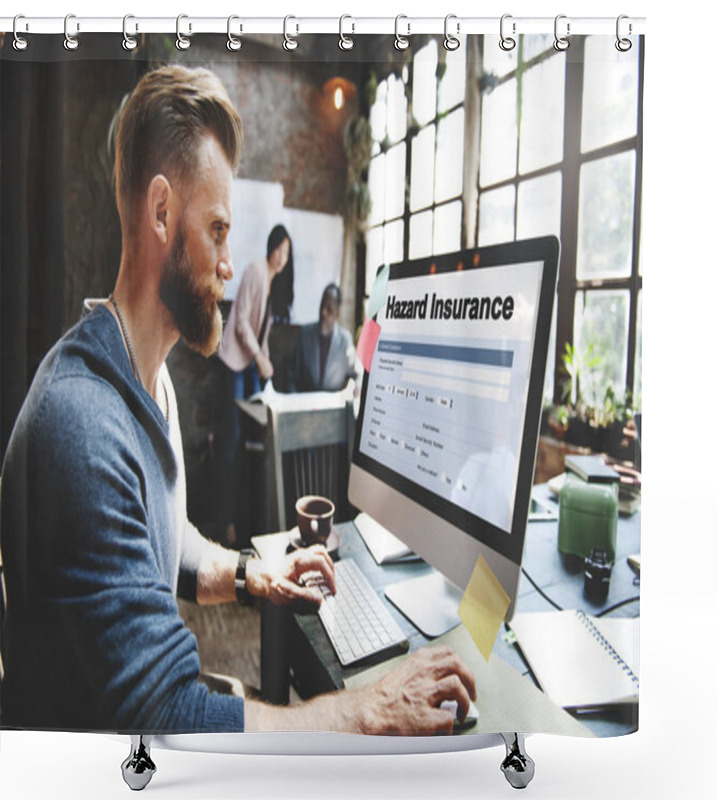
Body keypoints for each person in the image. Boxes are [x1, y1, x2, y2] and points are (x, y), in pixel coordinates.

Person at [0, 65, 475, 735]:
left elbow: (170, 547)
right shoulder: (82, 423)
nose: (229, 264)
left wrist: (256, 573)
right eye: (218, 231)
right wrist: (367, 712)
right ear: (162, 212)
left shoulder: (145, 377)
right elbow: (168, 714)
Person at [216, 224, 293, 545]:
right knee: (231, 440)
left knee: (252, 440)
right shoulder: (254, 271)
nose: (282, 256)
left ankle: (246, 520)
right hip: (234, 362)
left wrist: (266, 361)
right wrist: (260, 360)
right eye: (279, 248)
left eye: (287, 253)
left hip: (249, 363)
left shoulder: (273, 284)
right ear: (270, 247)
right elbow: (242, 323)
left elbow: (262, 335)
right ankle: (226, 522)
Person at [289, 283, 358, 393]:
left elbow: (355, 374)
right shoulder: (305, 334)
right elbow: (292, 376)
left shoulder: (345, 339)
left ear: (338, 313)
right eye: (322, 306)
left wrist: (355, 387)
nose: (323, 313)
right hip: (306, 401)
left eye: (329, 309)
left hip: (332, 405)